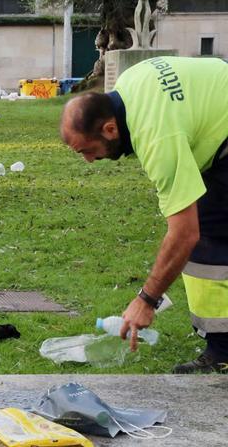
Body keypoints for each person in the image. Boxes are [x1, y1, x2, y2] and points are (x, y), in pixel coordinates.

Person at [60, 56, 228, 373]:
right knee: (211, 230)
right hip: (218, 126)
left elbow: (183, 233)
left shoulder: (157, 138)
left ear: (110, 129)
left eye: (87, 150)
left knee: (204, 236)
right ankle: (222, 350)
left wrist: (147, 300)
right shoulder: (129, 83)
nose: (90, 161)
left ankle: (222, 353)